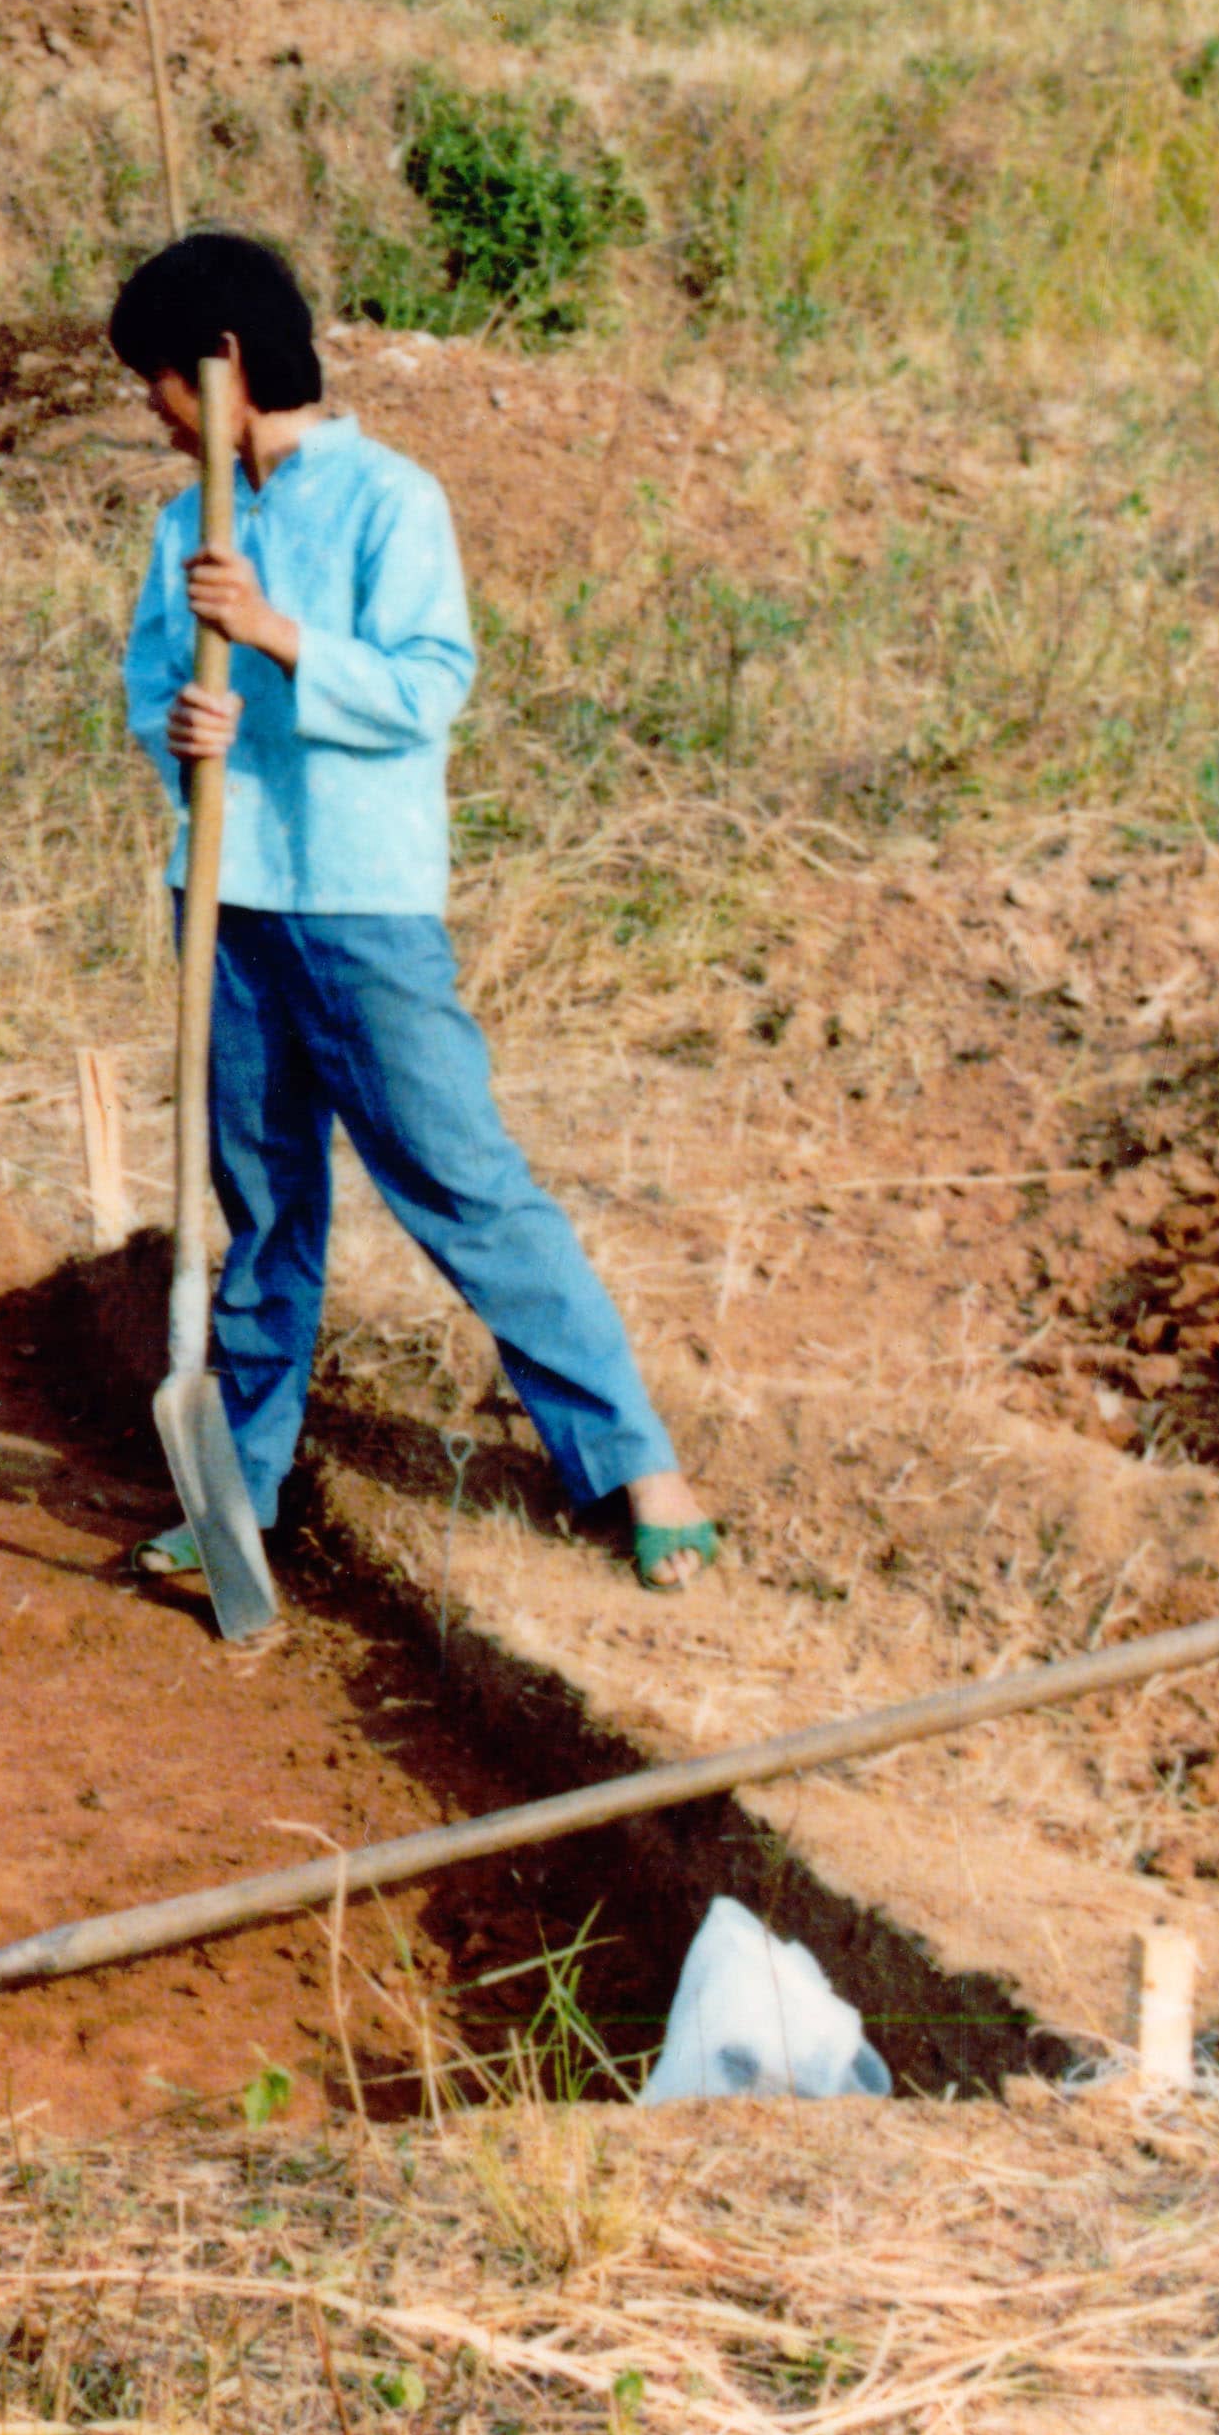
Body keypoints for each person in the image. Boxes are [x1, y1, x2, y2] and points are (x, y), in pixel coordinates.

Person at [108, 231, 722, 1598]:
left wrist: (273, 638)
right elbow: (152, 680)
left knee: (461, 1184)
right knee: (259, 1210)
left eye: (155, 377)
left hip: (361, 909)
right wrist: (182, 722)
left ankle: (631, 1460)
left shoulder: (391, 498)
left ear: (217, 364)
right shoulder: (178, 524)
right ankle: (239, 1493)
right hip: (221, 900)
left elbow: (426, 687)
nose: (146, 409)